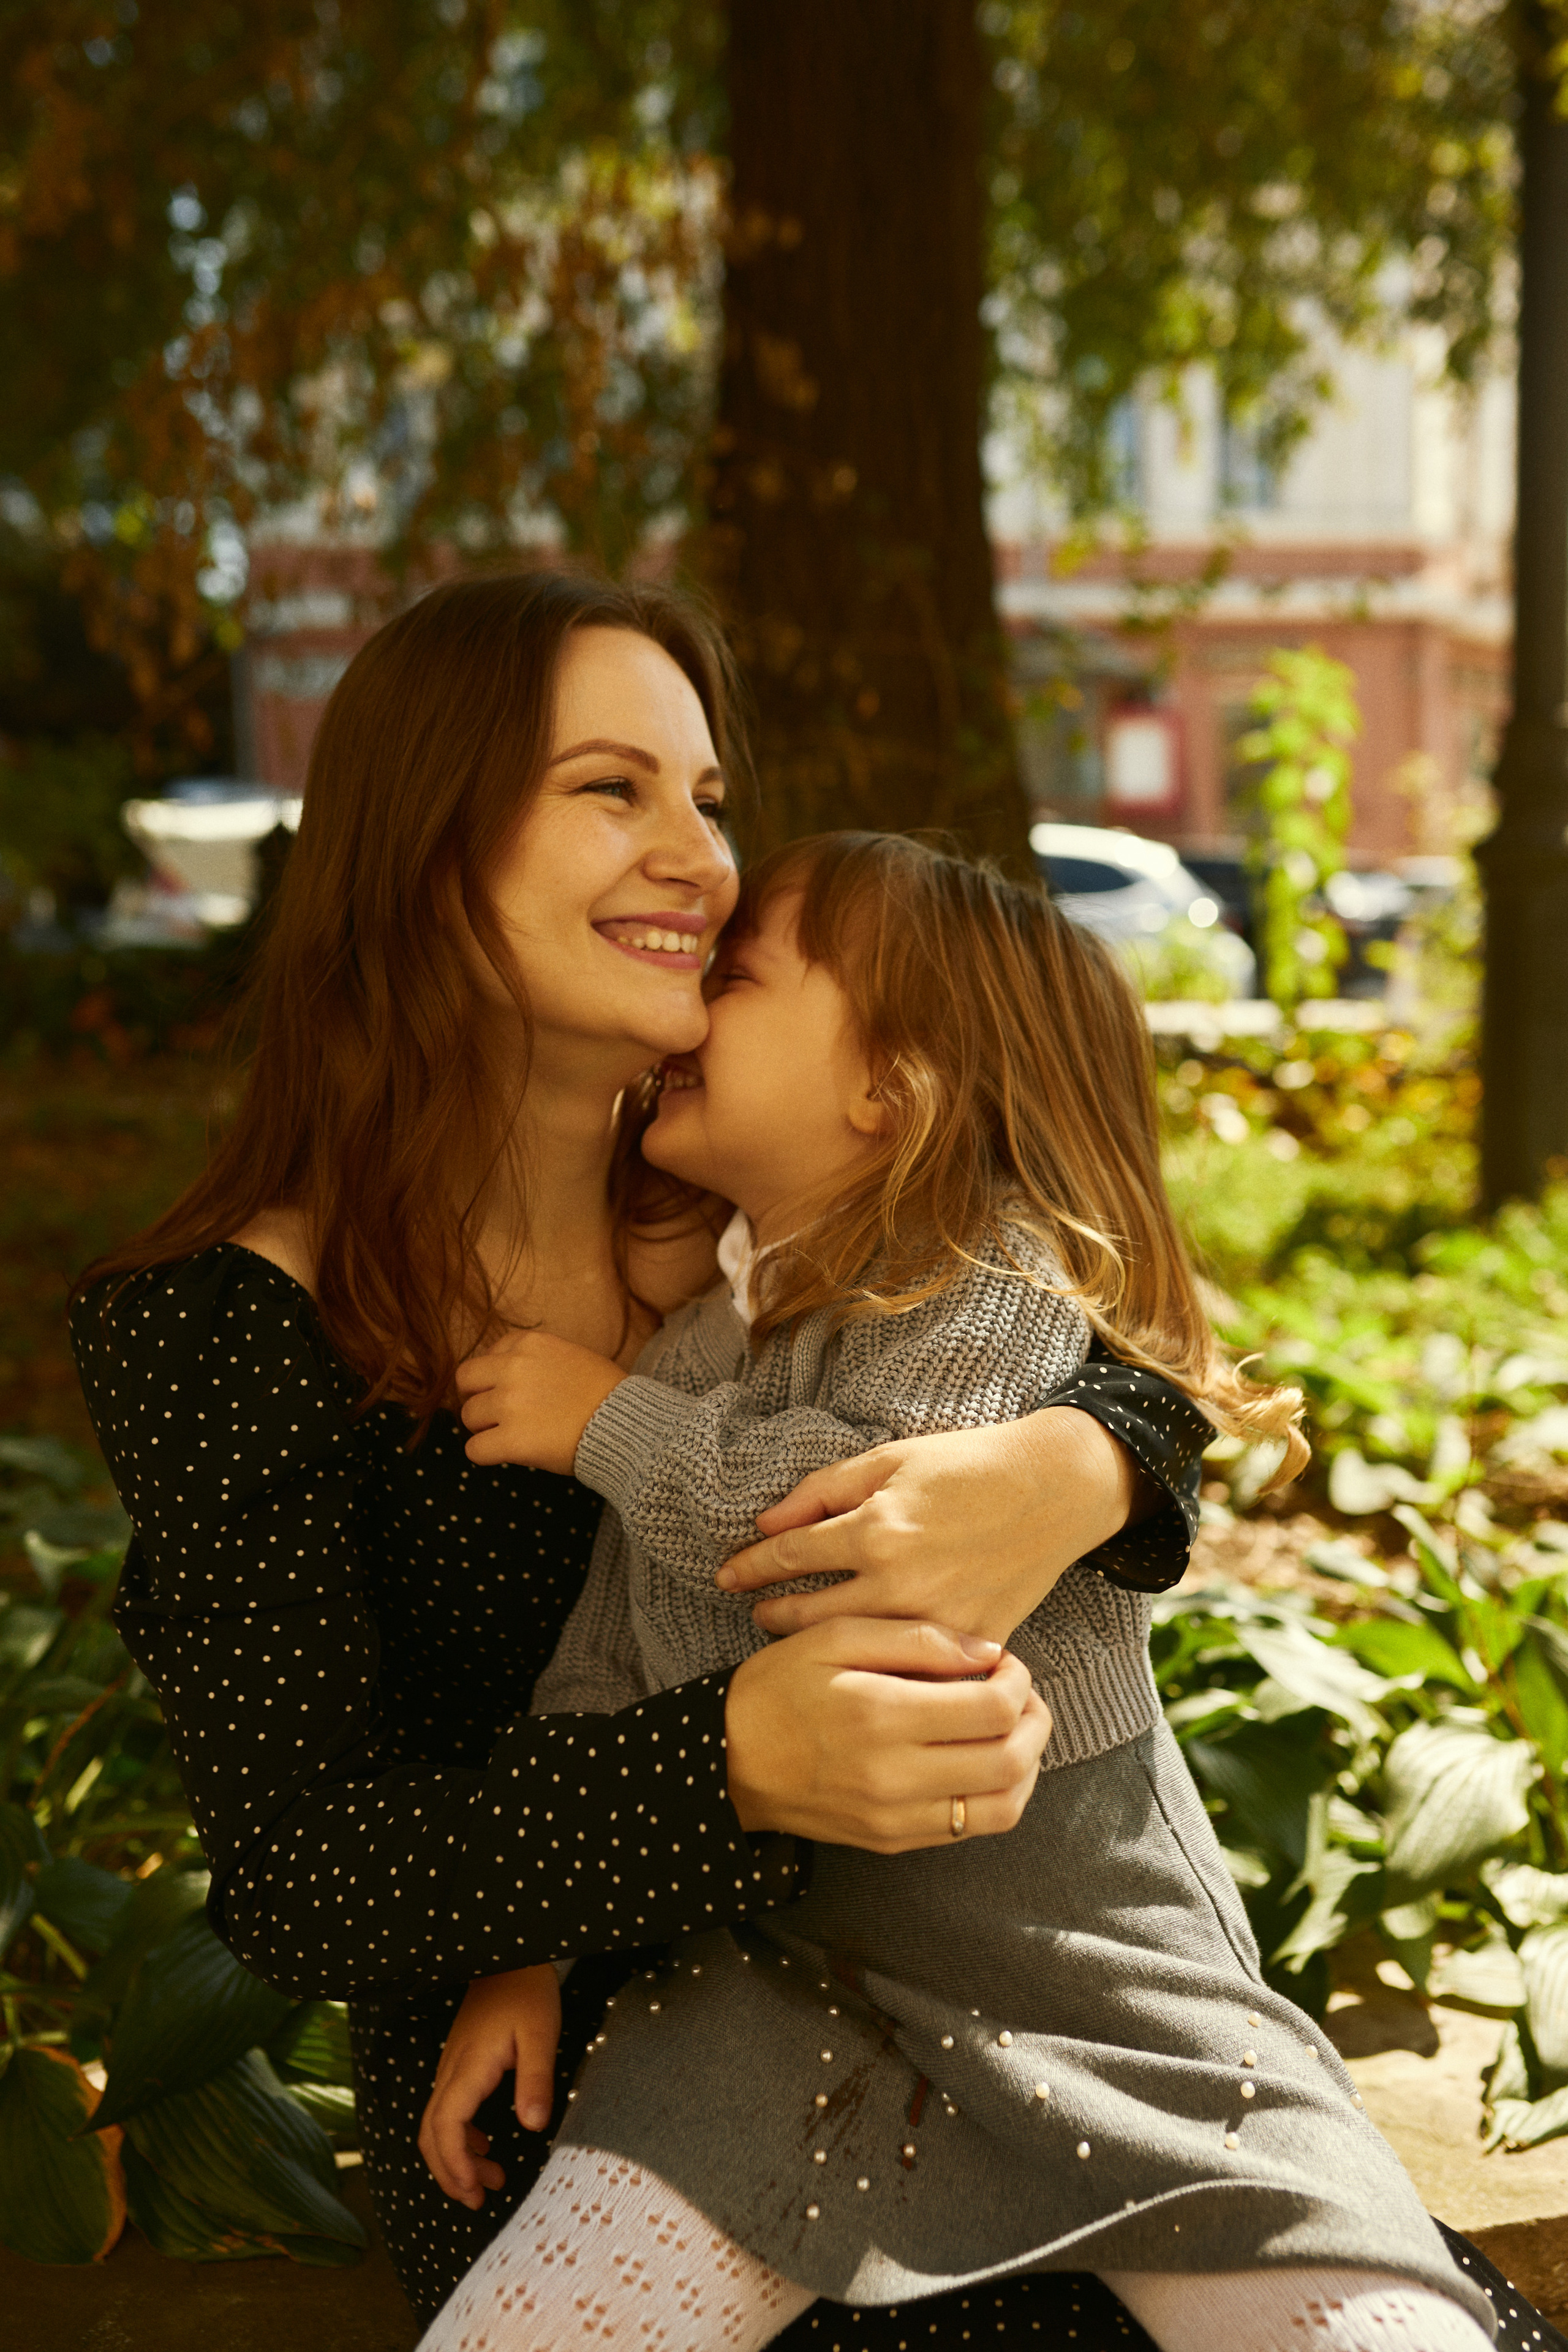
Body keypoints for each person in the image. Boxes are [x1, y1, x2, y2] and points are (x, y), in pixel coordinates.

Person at [67, 571, 1219, 2340]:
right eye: (613, 790)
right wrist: (732, 1763)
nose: (700, 856)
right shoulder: (231, 1327)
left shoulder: (766, 1205)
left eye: (707, 800)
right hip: (572, 2101)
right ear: (425, 844)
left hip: (965, 2013)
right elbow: (307, 1880)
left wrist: (1086, 1469)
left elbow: (1090, 1312)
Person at [410, 834, 1494, 2352]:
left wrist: (604, 1425)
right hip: (782, 1978)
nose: (694, 1012)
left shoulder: (988, 1279)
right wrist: (525, 1946)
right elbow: (609, 1652)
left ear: (889, 1090)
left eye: (739, 981)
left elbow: (861, 1545)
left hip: (1072, 1965)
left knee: (1334, 2301)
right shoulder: (695, 1341)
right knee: (545, 2313)